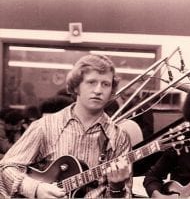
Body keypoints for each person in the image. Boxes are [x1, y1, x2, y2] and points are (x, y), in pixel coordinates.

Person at [0, 54, 132, 198]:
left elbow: (126, 195)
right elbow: (5, 168)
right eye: (91, 82)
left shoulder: (118, 137)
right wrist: (36, 189)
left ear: (112, 91)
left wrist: (117, 187)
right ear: (76, 87)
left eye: (105, 84)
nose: (98, 90)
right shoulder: (45, 126)